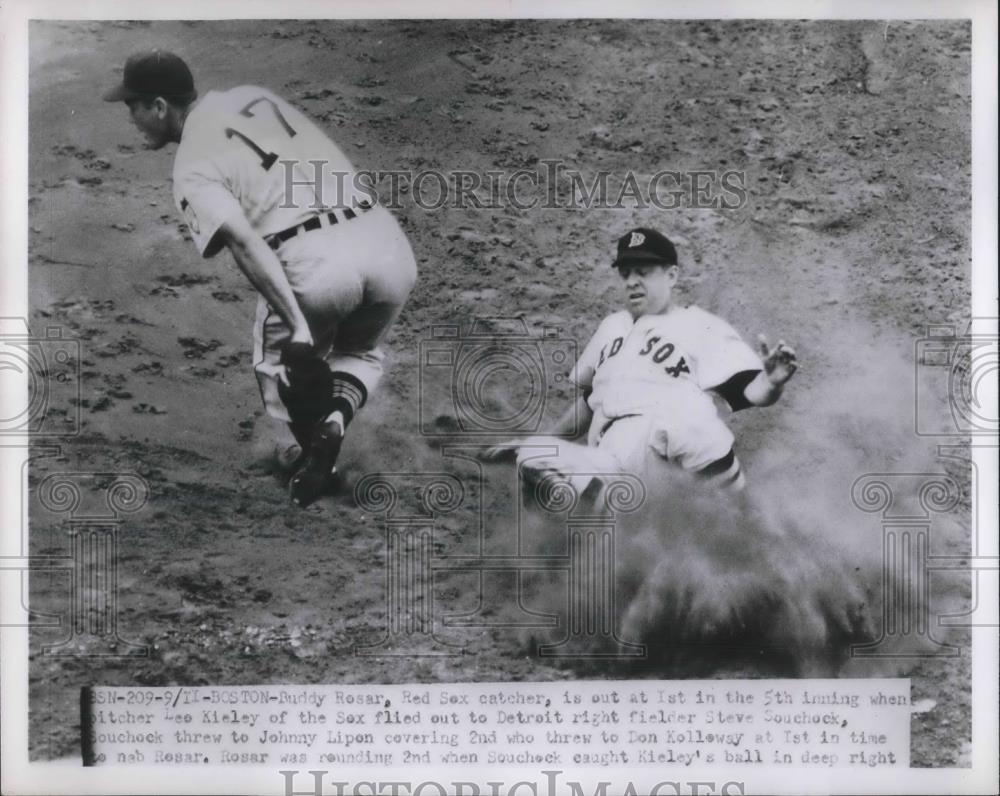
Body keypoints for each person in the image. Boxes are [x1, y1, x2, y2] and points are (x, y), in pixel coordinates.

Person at [104, 50, 417, 506]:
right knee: (361, 352)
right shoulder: (254, 97)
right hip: (387, 246)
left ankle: (310, 455)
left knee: (276, 368)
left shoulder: (191, 165)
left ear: (159, 106)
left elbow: (246, 245)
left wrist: (298, 324)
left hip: (319, 264)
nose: (130, 118)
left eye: (132, 106)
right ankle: (336, 419)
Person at [485, 227, 797, 504]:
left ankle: (740, 525)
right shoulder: (612, 327)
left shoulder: (700, 325)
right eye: (626, 273)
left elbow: (747, 390)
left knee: (688, 419)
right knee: (533, 456)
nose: (632, 281)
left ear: (671, 276)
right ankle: (609, 535)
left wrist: (771, 382)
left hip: (681, 445)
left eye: (643, 271)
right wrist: (546, 440)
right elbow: (591, 402)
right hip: (618, 460)